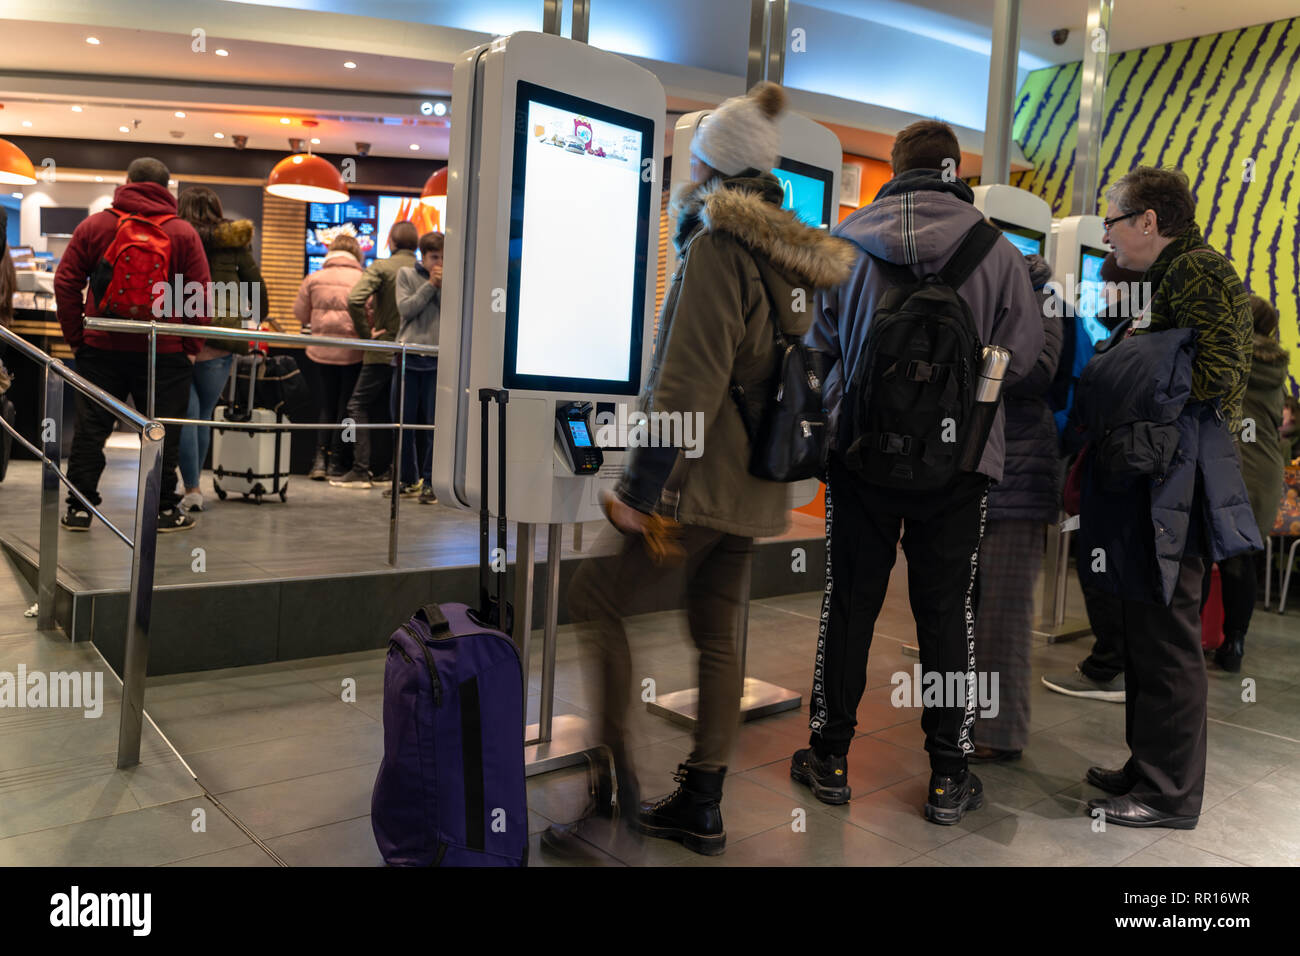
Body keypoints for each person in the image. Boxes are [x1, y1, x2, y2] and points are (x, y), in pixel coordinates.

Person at [542, 83, 856, 858]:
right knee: (717, 632)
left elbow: (689, 381)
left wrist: (639, 493)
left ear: (711, 169)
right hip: (756, 487)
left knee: (593, 599)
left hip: (695, 487)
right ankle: (702, 802)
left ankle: (612, 793)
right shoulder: (794, 258)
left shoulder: (719, 245)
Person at [793, 119, 1043, 825]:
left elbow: (817, 346)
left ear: (896, 169)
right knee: (946, 614)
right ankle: (946, 776)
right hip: (961, 464)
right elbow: (1022, 361)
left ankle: (831, 758)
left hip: (859, 457)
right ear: (953, 169)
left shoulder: (844, 241)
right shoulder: (998, 250)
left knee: (850, 604)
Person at [1080, 165, 1256, 830]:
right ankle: (1147, 765)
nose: (1108, 235)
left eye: (1114, 221)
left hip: (1177, 484)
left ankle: (1168, 794)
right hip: (1164, 481)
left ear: (1148, 221)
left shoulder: (1197, 271)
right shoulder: (1175, 273)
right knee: (1148, 632)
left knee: (1170, 639)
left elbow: (1215, 378)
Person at [54, 157, 210, 532]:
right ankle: (162, 510)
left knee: (92, 429)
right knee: (160, 433)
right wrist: (189, 344)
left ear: (126, 182)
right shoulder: (182, 232)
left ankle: (79, 507)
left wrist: (78, 337)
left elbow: (65, 281)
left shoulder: (96, 225)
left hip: (101, 348)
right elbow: (200, 294)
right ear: (168, 189)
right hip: (163, 349)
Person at [1042, 252, 1146, 704]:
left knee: (1102, 569)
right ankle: (1111, 662)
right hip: (1112, 472)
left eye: (1107, 286)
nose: (1099, 294)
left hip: (1114, 475)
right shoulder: (1126, 334)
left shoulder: (1133, 339)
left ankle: (1108, 667)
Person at [971, 253, 1062, 761]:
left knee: (1004, 612)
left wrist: (976, 355)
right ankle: (967, 719)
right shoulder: (986, 296)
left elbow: (1037, 371)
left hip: (1020, 473)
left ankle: (998, 734)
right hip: (977, 465)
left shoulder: (1045, 300)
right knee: (967, 608)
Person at [1202, 294, 1287, 672]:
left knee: (1202, 554)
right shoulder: (1275, 371)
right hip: (1265, 473)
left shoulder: (1230, 356)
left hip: (1231, 465)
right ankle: (1233, 643)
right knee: (1242, 561)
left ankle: (1190, 636)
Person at [175, 186, 270, 512]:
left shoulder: (174, 235)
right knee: (202, 416)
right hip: (220, 337)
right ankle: (193, 486)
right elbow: (256, 286)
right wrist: (258, 315)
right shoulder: (234, 239)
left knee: (186, 415)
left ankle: (191, 488)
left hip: (180, 331)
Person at [333, 221, 418, 488]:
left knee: (357, 405)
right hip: (415, 353)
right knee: (404, 414)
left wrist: (367, 335)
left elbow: (355, 299)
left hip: (383, 351)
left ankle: (360, 470)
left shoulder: (381, 267)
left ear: (390, 241)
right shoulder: (425, 270)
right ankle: (399, 472)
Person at [292, 235, 365, 481]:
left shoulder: (314, 278)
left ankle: (319, 460)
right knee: (348, 408)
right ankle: (337, 461)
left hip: (320, 350)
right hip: (353, 352)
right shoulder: (362, 279)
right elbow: (370, 317)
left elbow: (300, 315)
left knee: (326, 405)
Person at [385, 230, 441, 503]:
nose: (438, 263)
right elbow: (406, 309)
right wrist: (430, 284)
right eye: (434, 257)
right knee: (403, 424)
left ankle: (431, 482)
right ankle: (408, 479)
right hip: (407, 359)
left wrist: (444, 286)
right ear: (423, 256)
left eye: (443, 258)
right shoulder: (406, 275)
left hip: (438, 361)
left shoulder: (452, 281)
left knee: (434, 427)